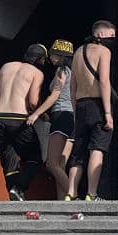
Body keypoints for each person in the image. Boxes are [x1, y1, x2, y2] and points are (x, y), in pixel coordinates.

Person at [67, 20, 117, 201]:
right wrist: (108, 113)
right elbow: (104, 81)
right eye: (112, 36)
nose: (113, 39)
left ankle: (71, 193)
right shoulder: (104, 52)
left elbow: (72, 86)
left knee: (78, 152)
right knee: (97, 149)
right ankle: (91, 193)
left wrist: (75, 110)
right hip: (98, 105)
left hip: (81, 105)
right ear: (101, 34)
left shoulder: (78, 52)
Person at [0, 44, 46, 201]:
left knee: (9, 160)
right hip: (19, 119)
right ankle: (18, 187)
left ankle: (14, 194)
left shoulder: (6, 67)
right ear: (40, 59)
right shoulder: (37, 73)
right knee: (34, 158)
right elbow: (33, 102)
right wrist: (42, 114)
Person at [26, 40, 74, 199]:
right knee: (61, 165)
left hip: (61, 115)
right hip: (72, 118)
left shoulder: (62, 71)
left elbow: (54, 96)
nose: (50, 57)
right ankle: (63, 203)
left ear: (61, 55)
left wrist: (36, 113)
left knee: (51, 163)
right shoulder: (74, 72)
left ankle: (73, 196)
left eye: (53, 54)